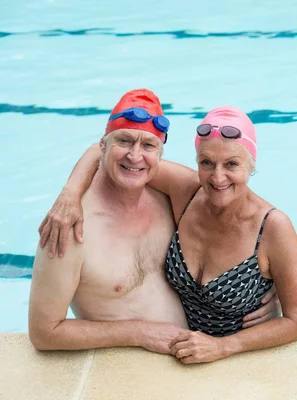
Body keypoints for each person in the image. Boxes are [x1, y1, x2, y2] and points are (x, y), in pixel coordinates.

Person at [37, 104, 297, 363]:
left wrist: (223, 346)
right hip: (178, 355)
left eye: (232, 164)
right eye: (207, 163)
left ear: (251, 166)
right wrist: (69, 195)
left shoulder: (273, 226)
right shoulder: (187, 190)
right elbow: (105, 151)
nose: (217, 177)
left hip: (240, 359)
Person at [29, 89, 192, 354]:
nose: (135, 156)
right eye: (124, 141)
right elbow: (44, 333)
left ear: (160, 155)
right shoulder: (70, 225)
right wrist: (139, 333)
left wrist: (266, 289)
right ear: (102, 146)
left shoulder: (167, 198)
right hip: (124, 368)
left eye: (148, 145)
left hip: (190, 357)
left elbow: (231, 204)